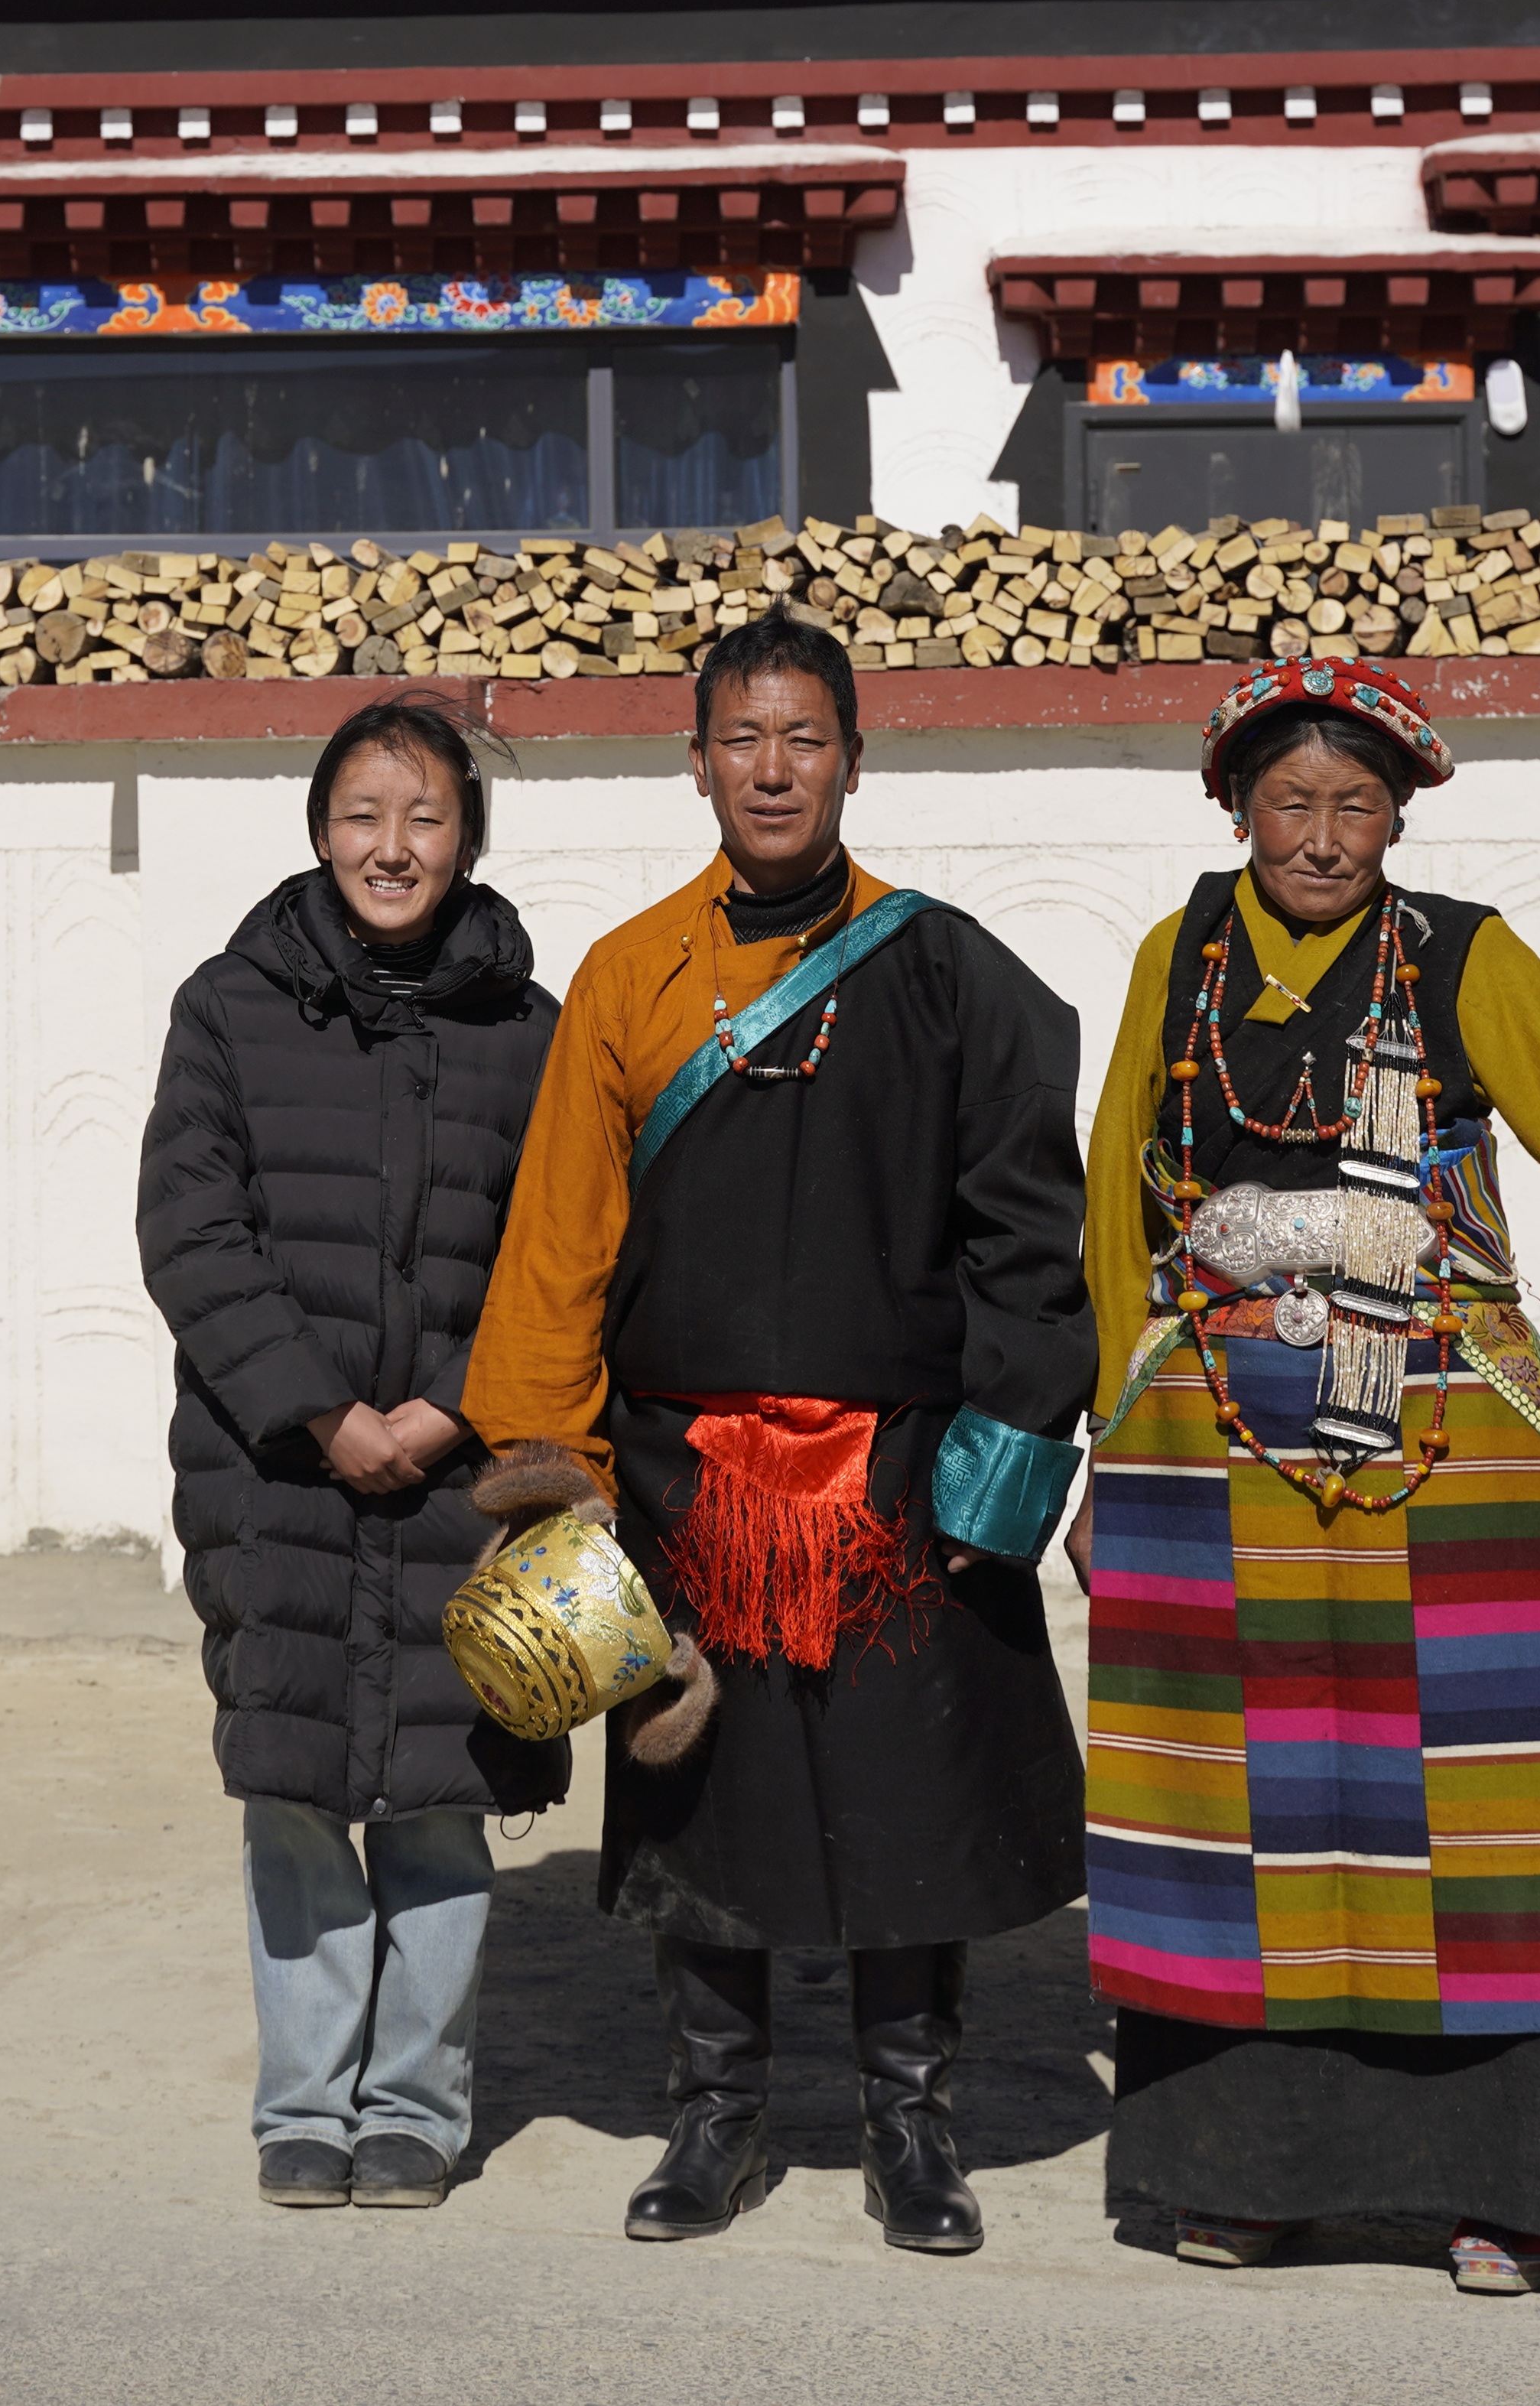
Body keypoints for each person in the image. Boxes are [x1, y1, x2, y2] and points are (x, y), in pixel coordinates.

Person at [1076, 658, 1540, 2294]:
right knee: (1242, 1809)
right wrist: (1106, 1431)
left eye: (1353, 803)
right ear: (1236, 807)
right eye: (1289, 801)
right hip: (1213, 1442)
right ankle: (1247, 2175)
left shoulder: (1460, 955)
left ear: (1400, 811)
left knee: (1475, 1799)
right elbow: (1119, 1199)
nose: (1319, 835)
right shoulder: (1180, 957)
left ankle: (1510, 2188)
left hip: (1439, 1437)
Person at [463, 612, 1090, 2258]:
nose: (770, 767)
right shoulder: (628, 976)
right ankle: (715, 2114)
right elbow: (558, 1240)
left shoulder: (949, 970)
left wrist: (1008, 1451)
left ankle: (908, 2121)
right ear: (693, 764)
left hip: (895, 1474)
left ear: (851, 759)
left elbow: (1029, 1229)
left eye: (802, 736)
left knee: (906, 1802)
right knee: (702, 1805)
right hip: (686, 1468)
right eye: (739, 737)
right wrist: (548, 1465)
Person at [137, 694, 566, 2210]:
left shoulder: (528, 1030)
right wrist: (323, 1410)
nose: (391, 846)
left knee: (447, 1794)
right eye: (362, 814)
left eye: (424, 816)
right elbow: (190, 1229)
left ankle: (414, 2107)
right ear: (319, 828)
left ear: (468, 836)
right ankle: (304, 2102)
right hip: (276, 1471)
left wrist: (446, 1404)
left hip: (469, 1468)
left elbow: (558, 1247)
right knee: (299, 1785)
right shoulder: (229, 1005)